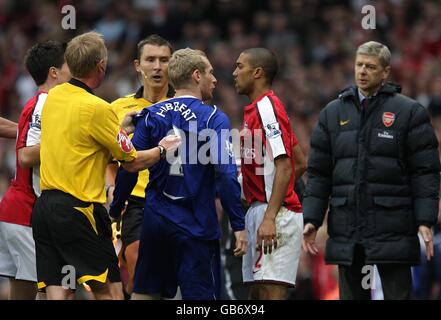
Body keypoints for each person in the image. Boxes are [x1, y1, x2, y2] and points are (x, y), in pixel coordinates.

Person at [31, 32, 180, 300]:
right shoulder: (99, 108)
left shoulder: (53, 97)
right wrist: (162, 149)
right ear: (101, 66)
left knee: (59, 293)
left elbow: (82, 136)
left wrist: (120, 128)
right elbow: (132, 161)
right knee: (110, 292)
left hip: (45, 209)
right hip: (79, 210)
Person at [302, 41, 440, 300]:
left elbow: (425, 172)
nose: (362, 71)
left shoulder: (408, 112)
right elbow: (319, 173)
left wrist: (424, 220)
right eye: (359, 65)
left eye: (370, 66)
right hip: (347, 227)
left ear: (385, 72)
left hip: (394, 226)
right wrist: (312, 217)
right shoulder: (332, 113)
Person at [110, 48, 248, 300]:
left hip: (155, 223)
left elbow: (129, 167)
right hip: (196, 225)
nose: (215, 79)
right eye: (210, 73)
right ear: (197, 75)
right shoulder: (214, 119)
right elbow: (226, 174)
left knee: (145, 295)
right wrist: (238, 223)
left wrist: (116, 207)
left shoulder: (151, 114)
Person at [0, 40, 70, 300]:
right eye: (68, 66)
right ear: (54, 72)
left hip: (16, 211)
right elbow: (27, 155)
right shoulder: (46, 103)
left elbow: (25, 139)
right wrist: (73, 141)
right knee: (57, 289)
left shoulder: (37, 103)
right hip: (27, 211)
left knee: (23, 292)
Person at [233, 47, 304, 300]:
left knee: (270, 295)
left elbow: (286, 165)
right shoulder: (258, 110)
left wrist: (272, 214)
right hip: (260, 210)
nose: (234, 72)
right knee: (255, 296)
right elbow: (300, 161)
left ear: (257, 72)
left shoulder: (267, 108)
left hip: (273, 214)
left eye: (240, 66)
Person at [106, 34, 174, 296]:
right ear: (137, 65)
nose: (157, 66)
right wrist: (112, 189)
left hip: (178, 202)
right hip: (136, 203)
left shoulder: (187, 107)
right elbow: (106, 159)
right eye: (151, 60)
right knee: (139, 278)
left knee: (171, 284)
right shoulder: (118, 109)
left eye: (164, 60)